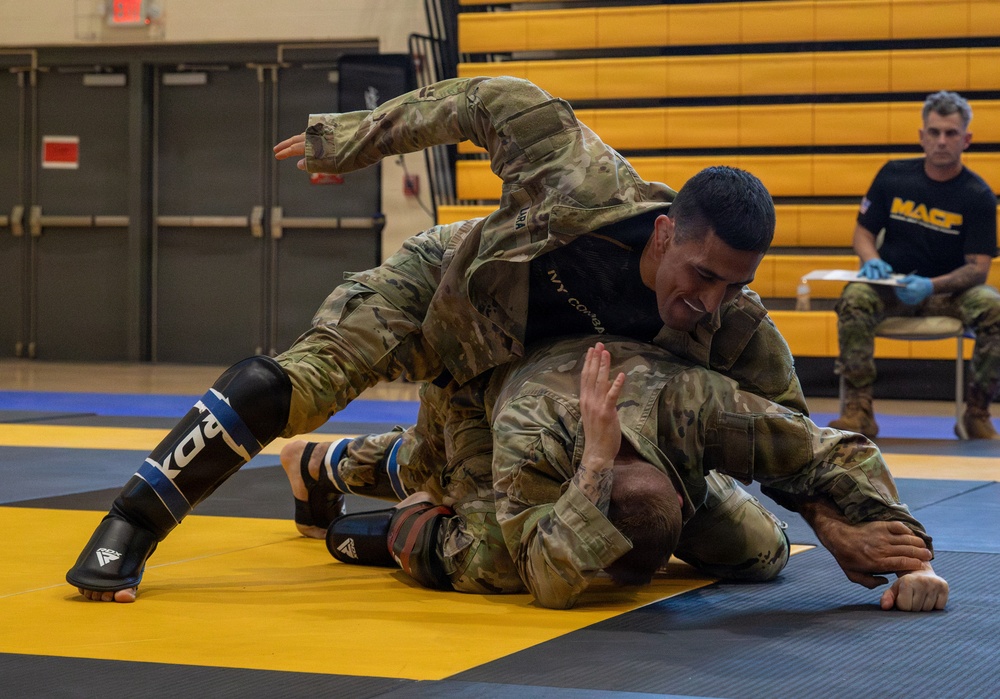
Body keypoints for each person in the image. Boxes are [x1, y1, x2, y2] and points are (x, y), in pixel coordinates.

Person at [67, 75, 791, 603]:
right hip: (445, 291)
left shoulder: (727, 316)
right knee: (292, 386)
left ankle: (332, 470)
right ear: (667, 234)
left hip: (504, 389)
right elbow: (483, 100)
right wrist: (352, 137)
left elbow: (794, 434)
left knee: (505, 558)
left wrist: (857, 524)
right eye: (701, 276)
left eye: (731, 287)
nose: (709, 300)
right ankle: (131, 520)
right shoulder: (582, 179)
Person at [285, 338, 948, 612]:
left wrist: (895, 551)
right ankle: (318, 461)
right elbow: (539, 577)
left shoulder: (689, 405)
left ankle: (336, 461)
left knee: (763, 551)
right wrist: (596, 464)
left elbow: (832, 450)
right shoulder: (533, 436)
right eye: (617, 567)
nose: (627, 583)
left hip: (630, 432)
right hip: (490, 397)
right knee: (446, 494)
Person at [830, 90, 1000, 440]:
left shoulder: (978, 196)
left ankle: (977, 412)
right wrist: (872, 261)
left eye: (951, 133)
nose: (941, 141)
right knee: (854, 297)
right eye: (934, 132)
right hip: (890, 287)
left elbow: (978, 268)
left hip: (948, 293)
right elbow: (862, 233)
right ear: (921, 135)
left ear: (966, 139)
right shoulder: (893, 176)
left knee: (994, 307)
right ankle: (859, 409)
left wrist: (931, 285)